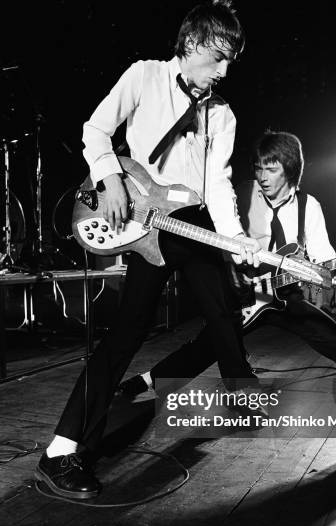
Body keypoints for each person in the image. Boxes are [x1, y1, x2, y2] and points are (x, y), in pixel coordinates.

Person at [35, 0, 269, 500]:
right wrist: (111, 179)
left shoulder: (221, 113)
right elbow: (96, 130)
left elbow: (218, 184)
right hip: (146, 221)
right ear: (191, 45)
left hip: (193, 223)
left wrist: (237, 238)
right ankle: (60, 452)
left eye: (231, 61)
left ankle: (240, 392)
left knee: (224, 308)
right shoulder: (144, 76)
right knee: (125, 334)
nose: (224, 71)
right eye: (218, 58)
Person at [122, 130, 336, 436]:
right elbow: (218, 241)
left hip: (285, 293)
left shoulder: (308, 206)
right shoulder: (239, 195)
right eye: (259, 168)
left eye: (272, 169)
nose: (263, 176)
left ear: (291, 168)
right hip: (239, 290)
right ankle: (148, 381)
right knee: (207, 347)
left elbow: (323, 260)